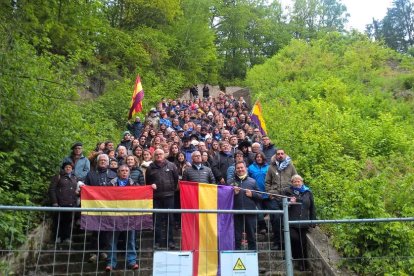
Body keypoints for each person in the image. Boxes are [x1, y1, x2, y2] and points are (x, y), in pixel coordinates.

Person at [84, 154, 117, 263]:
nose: (103, 162)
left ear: (108, 162)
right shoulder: (90, 174)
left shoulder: (114, 174)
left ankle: (103, 251)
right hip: (95, 206)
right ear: (97, 162)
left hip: (109, 207)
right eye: (101, 160)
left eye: (105, 160)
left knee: (106, 230)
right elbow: (86, 189)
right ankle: (93, 252)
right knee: (95, 230)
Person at [105, 165, 139, 271]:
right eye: (122, 171)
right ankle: (111, 263)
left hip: (129, 217)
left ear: (129, 172)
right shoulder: (110, 184)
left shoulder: (134, 184)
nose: (124, 172)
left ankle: (132, 261)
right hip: (114, 217)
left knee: (131, 240)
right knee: (112, 241)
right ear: (118, 172)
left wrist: (151, 187)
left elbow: (140, 196)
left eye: (126, 171)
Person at [145, 149, 179, 249]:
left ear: (164, 155)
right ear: (154, 156)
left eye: (160, 154)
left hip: (169, 196)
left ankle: (170, 241)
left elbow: (176, 179)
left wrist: (171, 190)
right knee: (157, 220)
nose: (159, 155)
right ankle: (157, 242)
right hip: (156, 197)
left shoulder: (171, 165)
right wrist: (152, 185)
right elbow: (148, 183)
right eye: (156, 154)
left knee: (170, 219)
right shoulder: (150, 168)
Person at [265, 149, 298, 250]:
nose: (280, 155)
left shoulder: (291, 166)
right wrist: (270, 192)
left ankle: (287, 244)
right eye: (278, 154)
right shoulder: (271, 167)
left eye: (282, 154)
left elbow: (296, 179)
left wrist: (295, 193)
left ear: (285, 155)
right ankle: (277, 242)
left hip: (287, 196)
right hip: (274, 197)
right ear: (275, 156)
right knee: (275, 219)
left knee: (287, 220)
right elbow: (267, 182)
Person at [283, 175, 316, 271]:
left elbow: (312, 207)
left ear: (302, 182)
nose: (297, 183)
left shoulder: (308, 192)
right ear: (292, 183)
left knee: (303, 243)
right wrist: (289, 203)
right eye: (295, 182)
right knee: (295, 239)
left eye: (299, 181)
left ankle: (303, 264)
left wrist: (313, 221)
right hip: (291, 222)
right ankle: (292, 255)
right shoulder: (288, 192)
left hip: (303, 223)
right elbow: (281, 205)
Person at [229, 161, 261, 250]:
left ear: (245, 168)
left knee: (251, 236)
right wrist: (233, 194)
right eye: (238, 168)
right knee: (237, 237)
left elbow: (260, 196)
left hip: (250, 212)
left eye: (241, 167)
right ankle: (236, 257)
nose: (240, 169)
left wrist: (252, 194)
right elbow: (224, 197)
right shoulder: (230, 182)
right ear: (235, 170)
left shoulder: (252, 181)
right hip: (236, 213)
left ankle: (252, 257)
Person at [49, 161, 78, 243]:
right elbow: (52, 189)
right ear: (63, 168)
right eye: (66, 167)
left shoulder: (74, 178)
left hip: (71, 203)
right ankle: (58, 237)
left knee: (68, 221)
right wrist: (54, 202)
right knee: (58, 220)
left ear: (72, 169)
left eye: (70, 167)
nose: (68, 168)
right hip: (60, 203)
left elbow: (77, 189)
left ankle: (67, 237)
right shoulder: (58, 177)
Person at [248, 152, 270, 235]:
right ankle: (263, 227)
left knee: (268, 211)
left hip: (267, 192)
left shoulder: (268, 167)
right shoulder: (251, 167)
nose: (259, 158)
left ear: (263, 158)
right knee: (259, 211)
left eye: (260, 157)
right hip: (256, 193)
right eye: (257, 157)